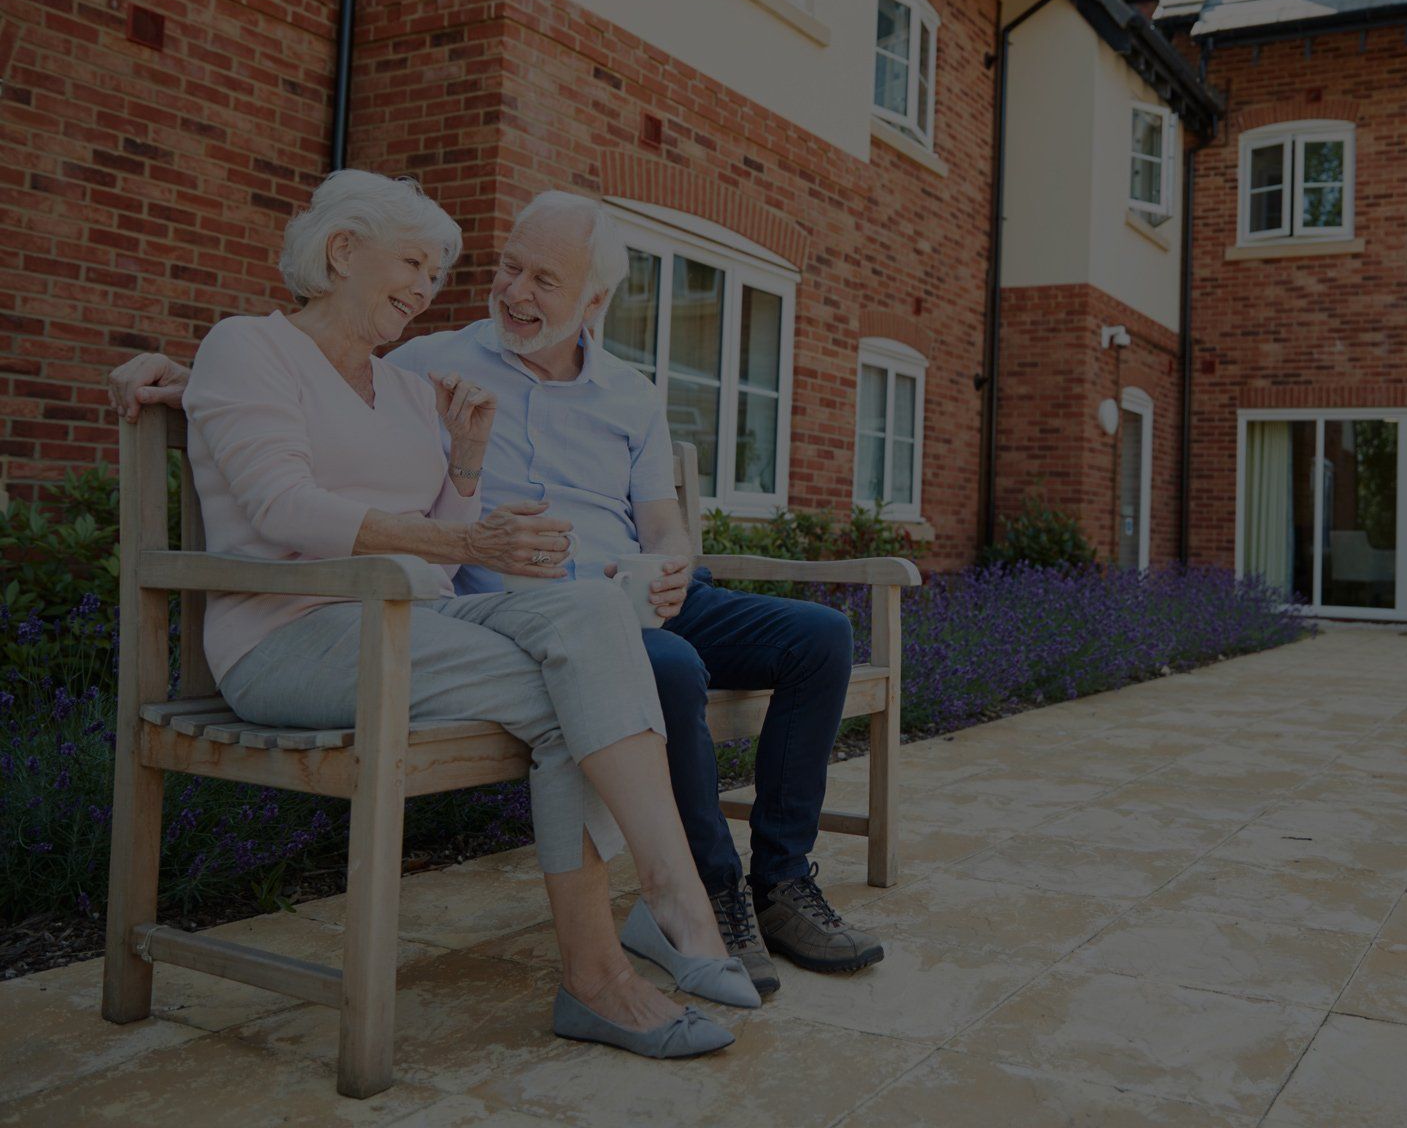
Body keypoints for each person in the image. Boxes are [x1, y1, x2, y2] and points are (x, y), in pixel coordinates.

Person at [110, 191, 884, 997]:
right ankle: (705, 899)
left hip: (624, 591)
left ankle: (779, 884)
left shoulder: (620, 391)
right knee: (661, 668)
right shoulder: (429, 360)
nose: (514, 293)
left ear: (593, 302)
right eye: (508, 268)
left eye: (544, 281)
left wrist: (672, 562)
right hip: (499, 607)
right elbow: (306, 381)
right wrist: (192, 377)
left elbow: (660, 519)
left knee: (819, 636)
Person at [178, 170, 752, 1060]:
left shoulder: (409, 388)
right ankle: (639, 943)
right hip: (290, 635)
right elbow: (280, 507)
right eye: (412, 262)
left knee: (593, 615)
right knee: (579, 693)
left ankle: (655, 917)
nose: (427, 289)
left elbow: (445, 538)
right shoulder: (247, 347)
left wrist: (469, 466)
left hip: (415, 627)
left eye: (439, 274)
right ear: (341, 252)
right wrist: (467, 543)